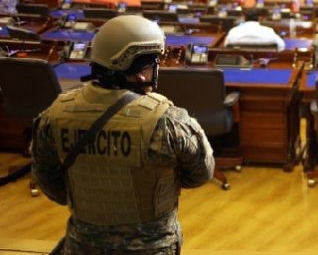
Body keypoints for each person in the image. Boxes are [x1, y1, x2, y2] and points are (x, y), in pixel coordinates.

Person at [31, 15, 216, 254]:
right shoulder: (167, 121)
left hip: (82, 245)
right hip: (152, 247)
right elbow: (201, 173)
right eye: (152, 64)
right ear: (140, 72)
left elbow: (47, 177)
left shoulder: (55, 114)